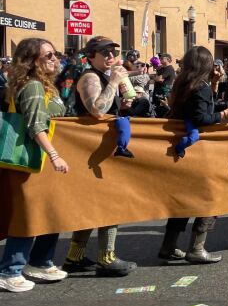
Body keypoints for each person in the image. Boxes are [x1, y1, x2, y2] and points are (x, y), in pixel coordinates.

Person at [159, 46, 228, 263]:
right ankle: (197, 248)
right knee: (210, 198)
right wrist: (225, 114)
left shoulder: (182, 83)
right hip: (199, 150)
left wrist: (214, 84)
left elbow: (199, 107)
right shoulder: (200, 86)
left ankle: (168, 245)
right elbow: (201, 117)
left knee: (183, 200)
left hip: (183, 148)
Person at [0, 38, 70, 292]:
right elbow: (35, 125)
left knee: (50, 211)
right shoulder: (32, 87)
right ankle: (9, 269)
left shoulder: (43, 85)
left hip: (39, 162)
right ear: (31, 61)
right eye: (48, 55)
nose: (55, 59)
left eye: (55, 54)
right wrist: (54, 154)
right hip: (32, 161)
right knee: (29, 214)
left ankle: (40, 261)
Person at [63, 36, 136, 277]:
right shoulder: (90, 77)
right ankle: (107, 257)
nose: (110, 56)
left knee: (92, 203)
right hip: (91, 148)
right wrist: (115, 81)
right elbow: (96, 109)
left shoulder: (103, 76)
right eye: (104, 52)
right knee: (109, 203)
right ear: (91, 56)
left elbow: (109, 109)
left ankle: (75, 257)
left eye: (113, 51)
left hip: (102, 147)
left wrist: (125, 105)